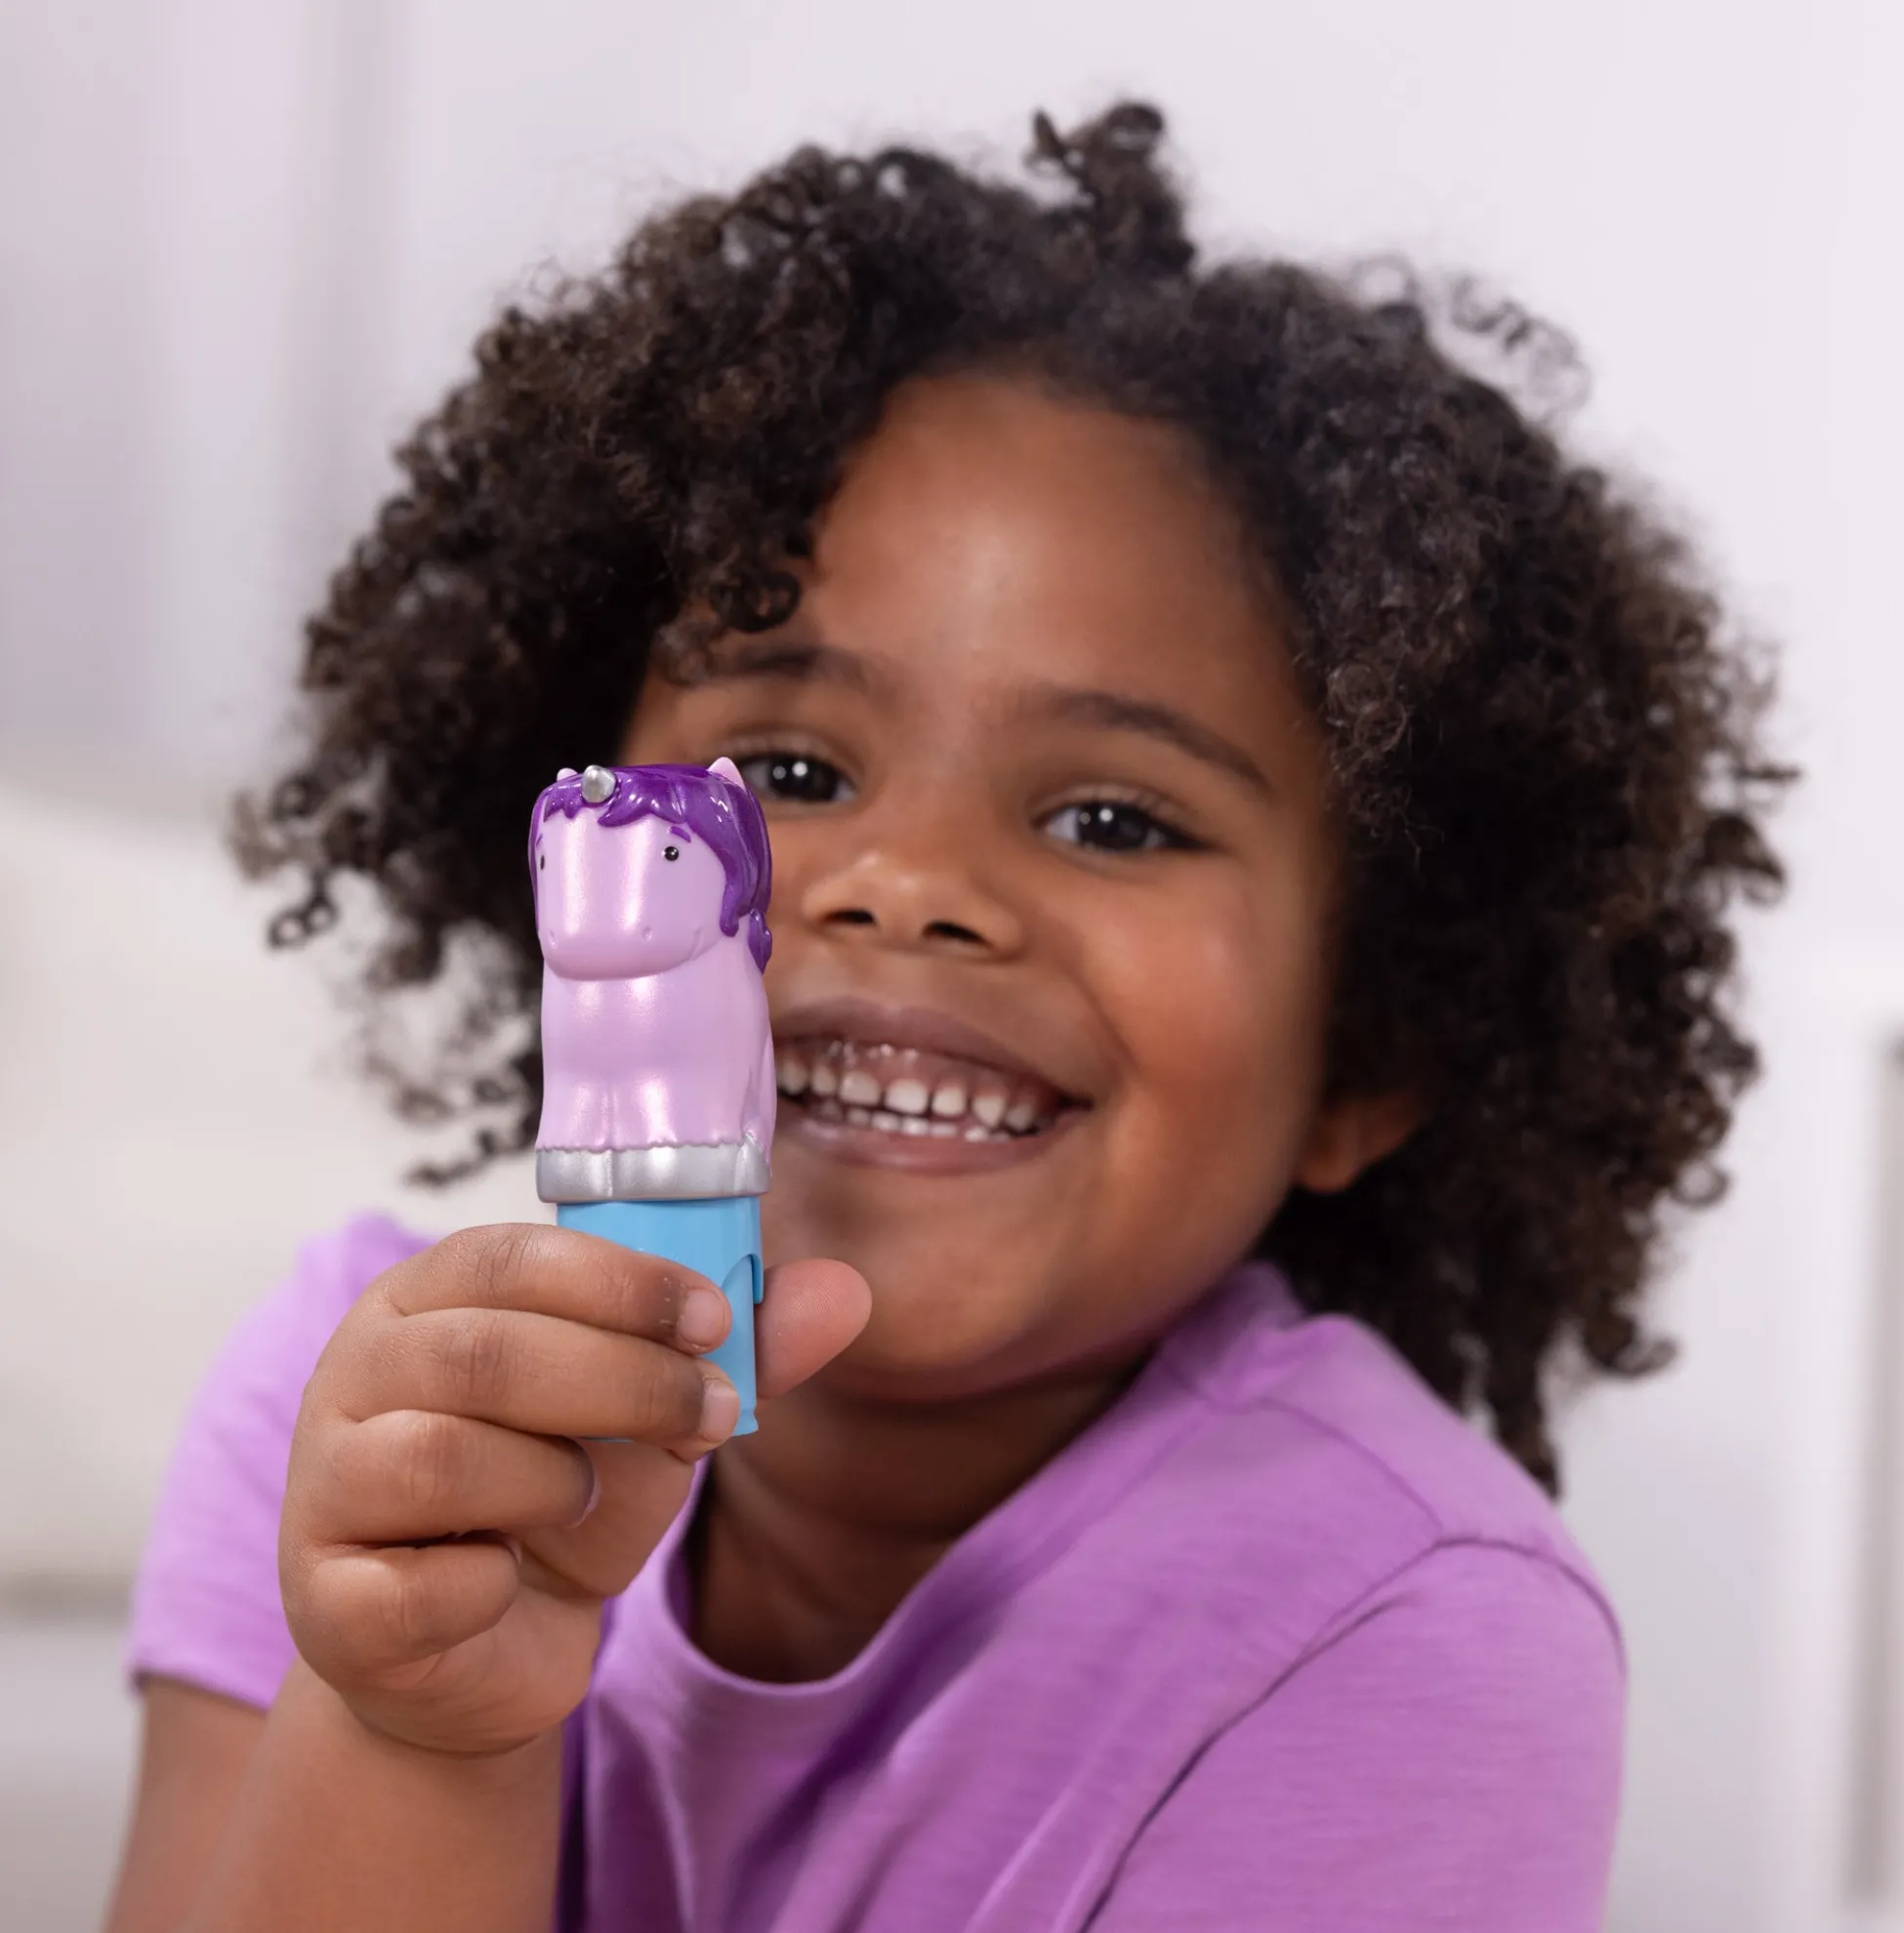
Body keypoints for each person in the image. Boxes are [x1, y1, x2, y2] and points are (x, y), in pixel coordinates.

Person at [103, 103, 1787, 1933]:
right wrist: (416, 1726)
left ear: (1371, 1048)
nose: (905, 883)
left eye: (1114, 819)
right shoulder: (369, 1437)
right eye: (792, 769)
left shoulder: (1403, 1622)